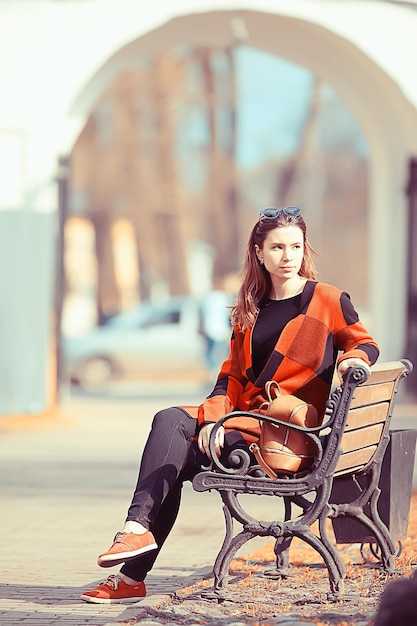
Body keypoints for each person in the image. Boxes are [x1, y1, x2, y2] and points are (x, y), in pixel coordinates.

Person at [80, 205, 379, 604]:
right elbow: (230, 378)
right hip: (239, 424)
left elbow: (364, 342)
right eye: (276, 248)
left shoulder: (326, 300)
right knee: (171, 424)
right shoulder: (250, 305)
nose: (287, 256)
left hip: (283, 436)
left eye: (294, 246)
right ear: (259, 252)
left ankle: (133, 572)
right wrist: (212, 424)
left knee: (176, 453)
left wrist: (354, 360)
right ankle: (135, 531)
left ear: (305, 249)